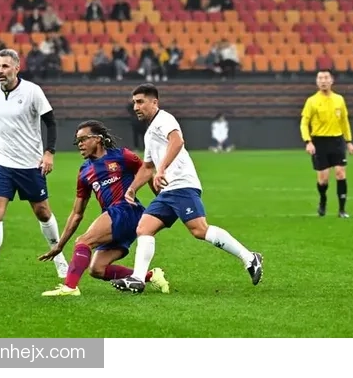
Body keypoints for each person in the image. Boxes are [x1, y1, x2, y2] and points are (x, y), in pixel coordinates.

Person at [111, 83, 263, 294]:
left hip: (182, 184)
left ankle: (249, 257)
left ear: (154, 102)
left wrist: (162, 169)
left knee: (199, 230)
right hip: (168, 190)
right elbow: (147, 167)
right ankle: (137, 278)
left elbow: (177, 141)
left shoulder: (164, 119)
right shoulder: (149, 132)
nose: (136, 107)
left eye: (140, 102)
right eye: (134, 103)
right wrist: (133, 188)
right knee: (144, 228)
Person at [0, 48, 69, 281]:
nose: (0, 71)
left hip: (30, 165)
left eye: (5, 66)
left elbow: (50, 122)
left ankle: (59, 257)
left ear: (17, 68)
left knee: (42, 212)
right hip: (2, 164)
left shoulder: (32, 91)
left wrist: (49, 153)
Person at [39, 120, 170, 296]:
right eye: (77, 141)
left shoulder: (122, 156)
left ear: (98, 139)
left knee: (84, 241)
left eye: (83, 139)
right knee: (97, 269)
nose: (80, 145)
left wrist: (162, 201)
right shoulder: (84, 171)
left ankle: (70, 287)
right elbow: (77, 213)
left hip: (126, 210)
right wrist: (59, 245)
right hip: (115, 217)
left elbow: (146, 172)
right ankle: (150, 276)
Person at [300, 69, 353, 218]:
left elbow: (344, 121)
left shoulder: (339, 99)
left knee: (340, 173)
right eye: (320, 78)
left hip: (337, 140)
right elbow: (304, 123)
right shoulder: (312, 101)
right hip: (319, 142)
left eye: (326, 78)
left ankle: (342, 210)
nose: (323, 81)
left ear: (332, 81)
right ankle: (323, 200)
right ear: (317, 82)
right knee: (323, 179)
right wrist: (308, 142)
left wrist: (349, 141)